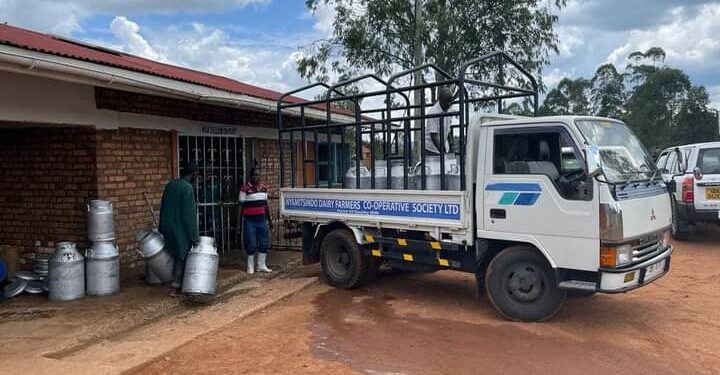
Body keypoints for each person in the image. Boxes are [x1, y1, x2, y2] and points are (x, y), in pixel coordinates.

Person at [159, 162, 199, 297]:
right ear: (193, 174)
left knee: (174, 254)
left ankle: (176, 283)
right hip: (179, 228)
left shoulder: (171, 184)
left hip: (166, 226)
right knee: (182, 256)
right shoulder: (187, 188)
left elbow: (163, 205)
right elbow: (189, 215)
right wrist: (194, 237)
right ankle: (176, 287)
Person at [239, 167, 273, 275]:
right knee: (251, 243)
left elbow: (265, 205)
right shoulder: (244, 189)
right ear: (250, 176)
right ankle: (250, 266)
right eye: (254, 175)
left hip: (262, 220)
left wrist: (269, 219)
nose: (256, 177)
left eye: (258, 175)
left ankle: (261, 265)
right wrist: (239, 222)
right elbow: (241, 206)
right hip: (250, 221)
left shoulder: (264, 188)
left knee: (264, 243)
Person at [424, 87, 454, 156]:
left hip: (442, 145)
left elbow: (448, 128)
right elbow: (433, 136)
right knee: (435, 166)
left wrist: (450, 145)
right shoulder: (433, 112)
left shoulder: (449, 109)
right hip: (431, 149)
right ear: (440, 100)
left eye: (450, 102)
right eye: (446, 102)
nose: (448, 105)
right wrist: (442, 151)